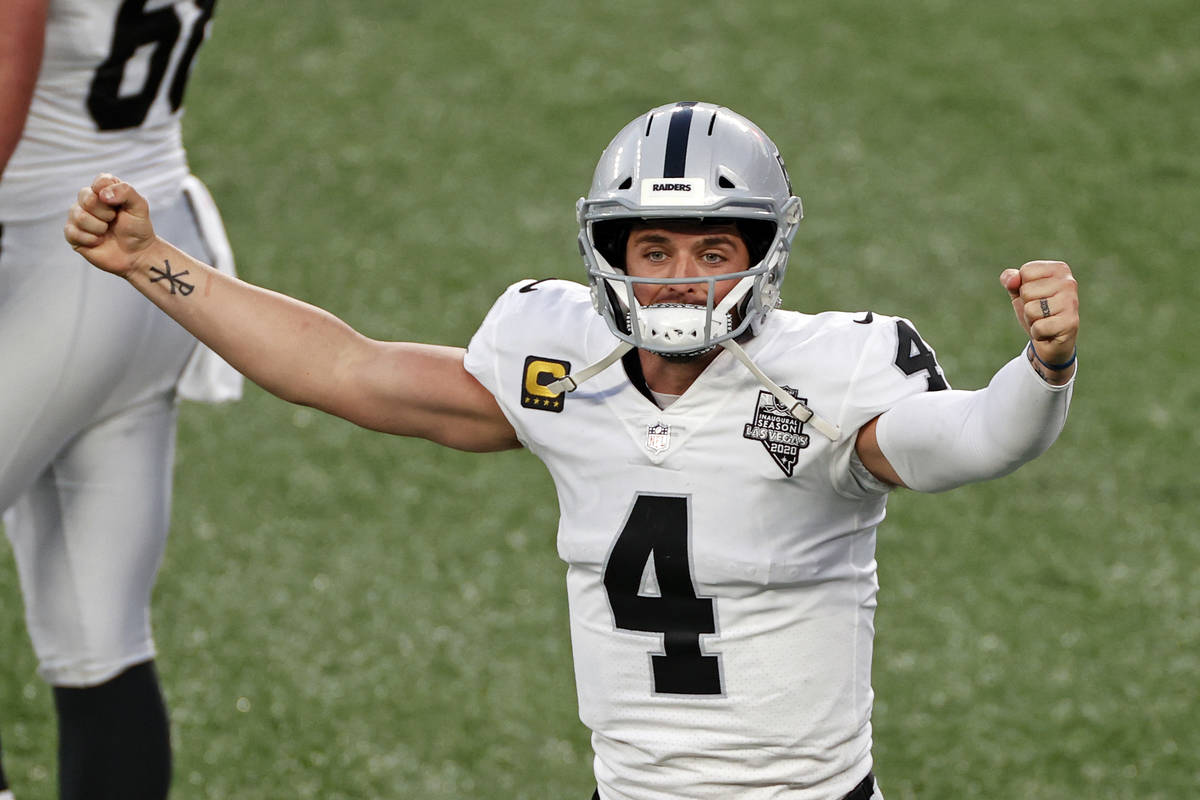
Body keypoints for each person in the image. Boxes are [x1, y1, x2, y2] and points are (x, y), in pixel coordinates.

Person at [63, 101, 1078, 800]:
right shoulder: (564, 364)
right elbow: (349, 369)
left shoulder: (823, 378)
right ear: (611, 253)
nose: (682, 277)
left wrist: (1042, 367)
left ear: (763, 254)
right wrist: (152, 260)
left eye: (713, 249)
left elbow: (975, 437)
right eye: (656, 248)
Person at [0, 0, 240, 797]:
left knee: (98, 641)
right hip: (153, 237)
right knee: (98, 645)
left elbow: (8, 62)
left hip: (49, 244)